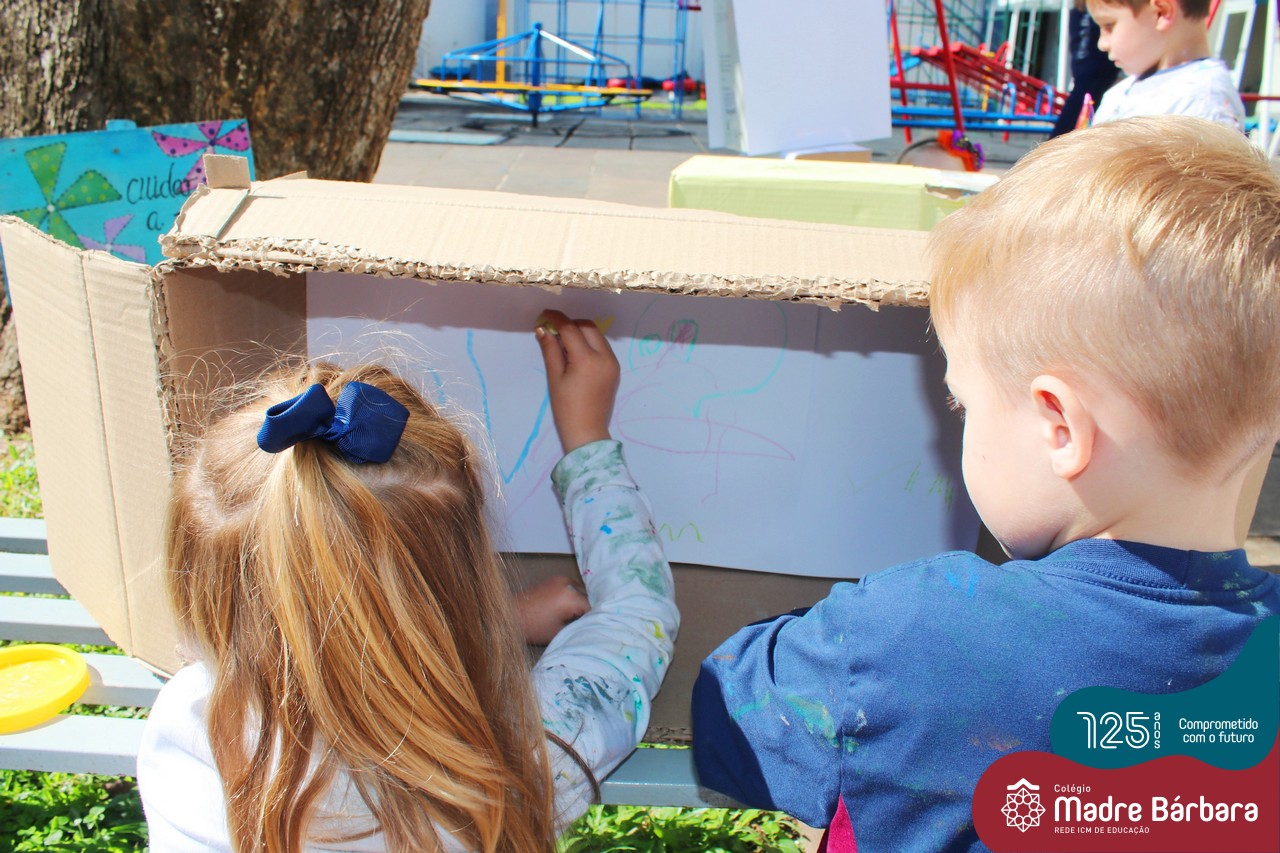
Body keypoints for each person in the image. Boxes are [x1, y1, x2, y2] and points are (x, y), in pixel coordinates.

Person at [690, 116, 1280, 851]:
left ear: (1059, 427)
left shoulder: (906, 633)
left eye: (962, 404)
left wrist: (848, 634)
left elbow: (724, 710)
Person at [136, 309, 680, 852]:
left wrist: (497, 622)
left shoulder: (190, 730)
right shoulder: (518, 762)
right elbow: (638, 615)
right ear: (469, 568)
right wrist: (587, 439)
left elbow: (305, 644)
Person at [1087, 0, 1245, 130]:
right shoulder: (1120, 91)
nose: (1102, 44)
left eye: (1109, 26)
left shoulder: (1204, 100)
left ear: (1161, 12)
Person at [1050, 0, 1120, 137]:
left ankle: (1061, 139)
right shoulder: (1088, 11)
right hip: (1093, 64)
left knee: (1084, 102)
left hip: (1087, 63)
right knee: (1082, 102)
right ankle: (1060, 139)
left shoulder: (1081, 10)